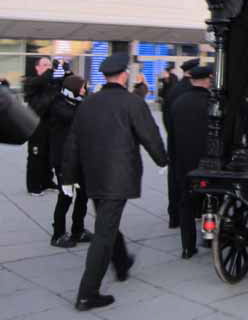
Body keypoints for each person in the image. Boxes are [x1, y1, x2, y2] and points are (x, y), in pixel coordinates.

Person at [62, 53, 168, 312]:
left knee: (106, 222)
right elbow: (150, 135)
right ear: (123, 74)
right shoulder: (132, 102)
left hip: (93, 175)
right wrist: (162, 160)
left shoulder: (88, 103)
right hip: (118, 177)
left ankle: (121, 265)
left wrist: (67, 177)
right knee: (104, 232)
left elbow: (72, 141)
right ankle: (87, 294)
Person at [170, 64, 212, 259]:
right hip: (208, 160)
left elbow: (171, 134)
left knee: (185, 202)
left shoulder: (178, 102)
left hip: (183, 160)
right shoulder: (212, 102)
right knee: (211, 199)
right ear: (206, 80)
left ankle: (187, 246)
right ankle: (210, 236)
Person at [48, 75, 92, 248]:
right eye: (82, 87)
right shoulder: (58, 105)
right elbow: (74, 117)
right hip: (63, 160)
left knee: (83, 195)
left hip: (79, 158)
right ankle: (58, 234)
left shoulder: (77, 102)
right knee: (66, 196)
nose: (84, 90)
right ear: (73, 88)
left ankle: (78, 230)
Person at [162, 58, 199, 228]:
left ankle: (174, 216)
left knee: (174, 178)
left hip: (175, 140)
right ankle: (194, 212)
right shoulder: (193, 90)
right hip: (192, 142)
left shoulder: (173, 89)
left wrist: (172, 133)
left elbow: (166, 116)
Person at [23, 56, 59, 195]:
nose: (48, 68)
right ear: (37, 67)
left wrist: (66, 73)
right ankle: (34, 186)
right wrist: (51, 71)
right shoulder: (31, 82)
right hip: (36, 125)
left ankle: (47, 181)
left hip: (50, 125)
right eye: (45, 65)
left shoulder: (51, 83)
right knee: (36, 155)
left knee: (49, 155)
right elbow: (42, 80)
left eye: (49, 65)